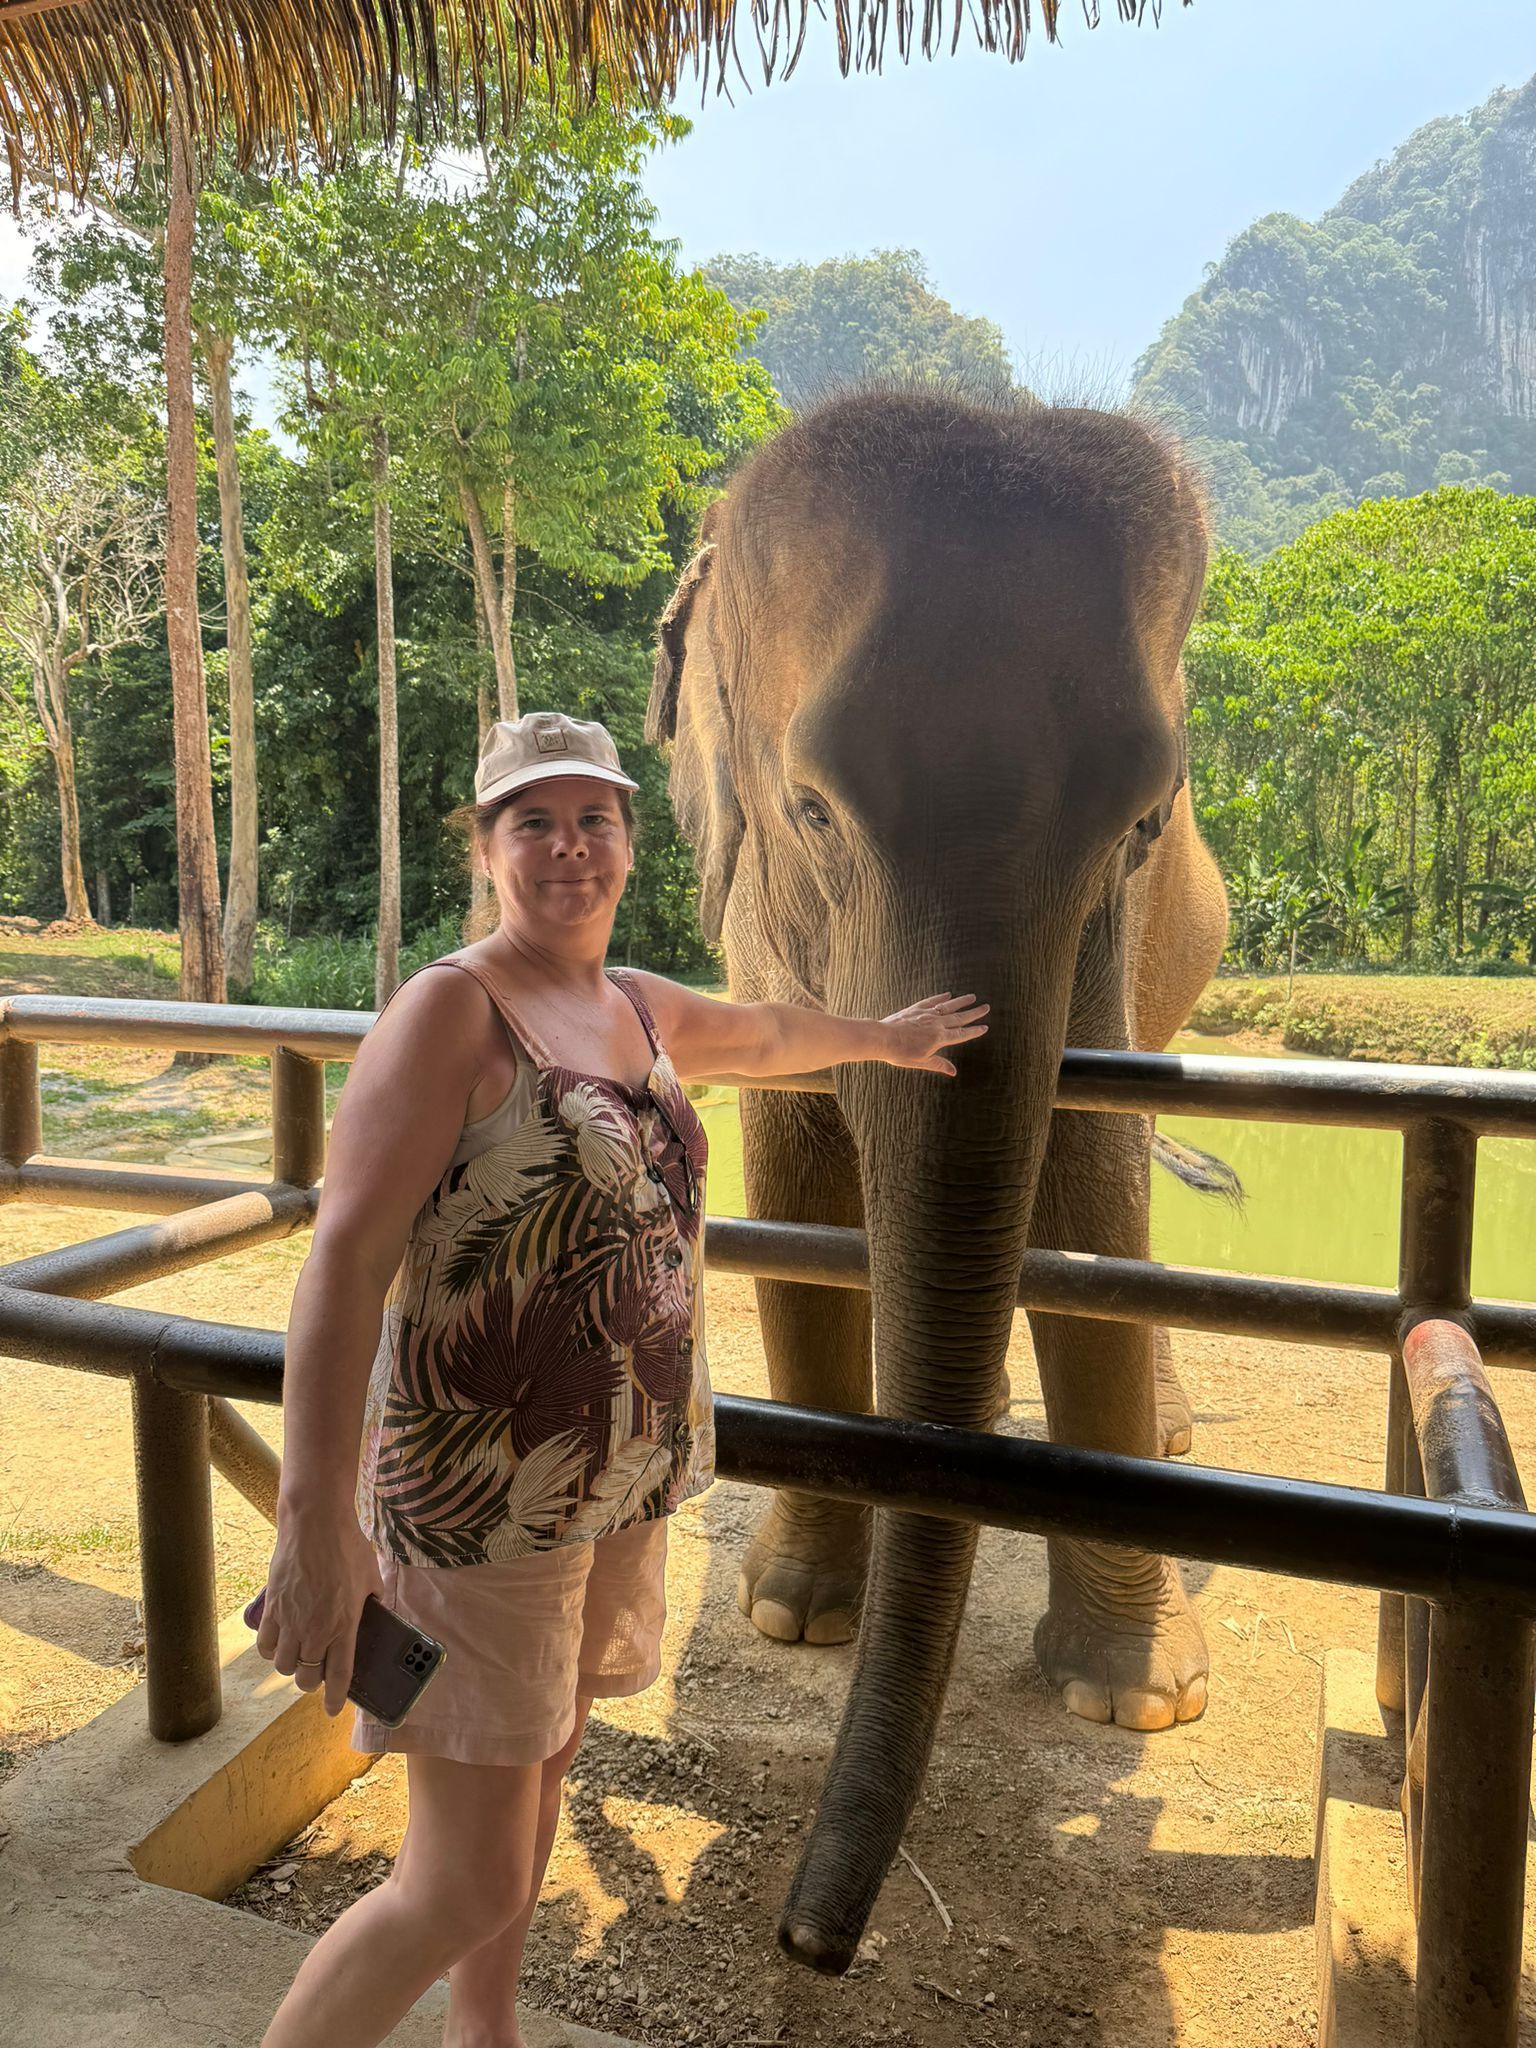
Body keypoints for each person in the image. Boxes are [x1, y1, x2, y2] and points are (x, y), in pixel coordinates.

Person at [255, 710, 988, 2048]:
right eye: (533, 821)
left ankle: (488, 2030)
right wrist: (316, 1527)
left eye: (593, 819)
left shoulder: (632, 1005)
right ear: (485, 849)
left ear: (627, 845)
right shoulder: (449, 1015)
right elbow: (341, 1269)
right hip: (479, 1511)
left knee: (543, 1773)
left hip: (618, 1484)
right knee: (454, 1876)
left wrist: (883, 1038)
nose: (568, 847)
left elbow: (763, 1036)